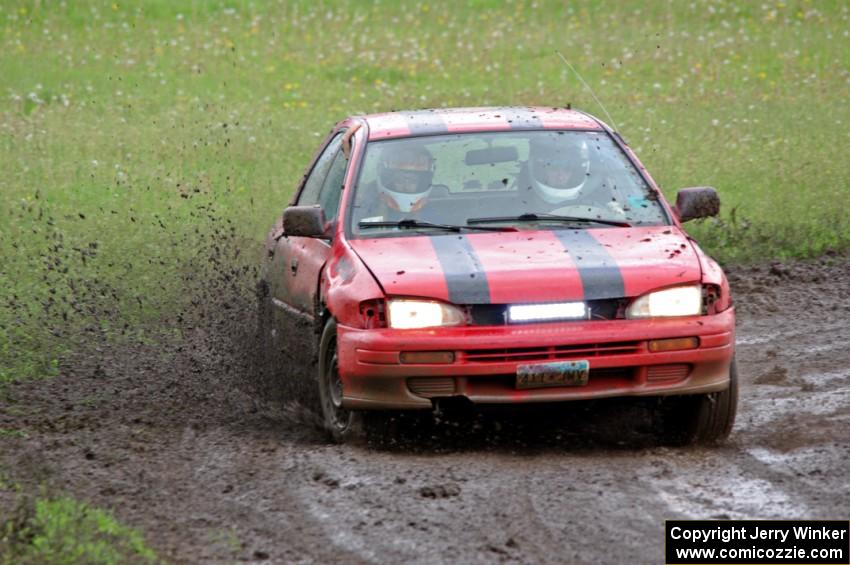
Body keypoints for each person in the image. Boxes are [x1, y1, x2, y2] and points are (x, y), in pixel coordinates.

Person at [516, 135, 623, 216]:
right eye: (554, 169)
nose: (560, 175)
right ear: (544, 170)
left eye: (567, 170)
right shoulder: (519, 209)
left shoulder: (598, 200)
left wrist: (615, 210)